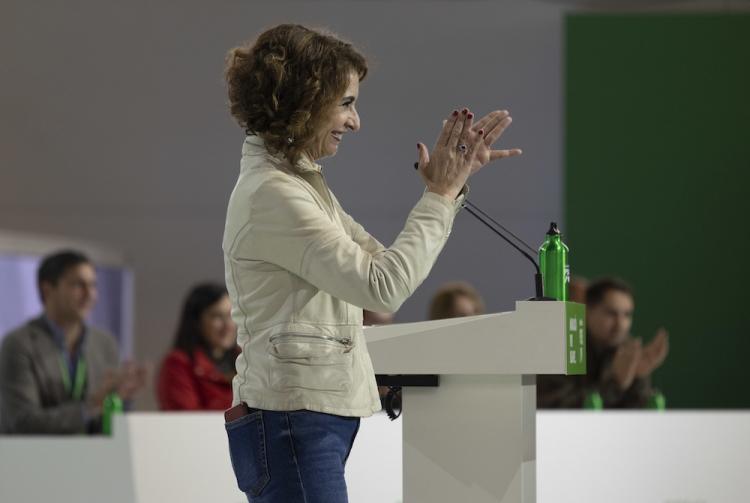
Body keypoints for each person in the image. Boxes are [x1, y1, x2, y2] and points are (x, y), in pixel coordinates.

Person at [221, 24, 521, 503]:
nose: (355, 121)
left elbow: (381, 268)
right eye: (346, 103)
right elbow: (384, 288)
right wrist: (440, 195)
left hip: (303, 420)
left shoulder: (295, 184)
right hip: (292, 422)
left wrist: (444, 191)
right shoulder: (274, 195)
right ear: (304, 99)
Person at [0, 250, 145, 434]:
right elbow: (24, 422)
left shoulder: (104, 343)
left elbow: (110, 424)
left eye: (93, 285)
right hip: (35, 459)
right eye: (79, 285)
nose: (90, 294)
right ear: (47, 289)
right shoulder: (19, 344)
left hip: (94, 459)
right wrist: (93, 405)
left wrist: (122, 398)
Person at [537, 277, 670, 409]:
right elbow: (559, 408)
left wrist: (637, 378)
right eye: (611, 314)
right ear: (587, 310)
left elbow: (637, 416)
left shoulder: (626, 350)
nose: (620, 325)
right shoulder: (560, 346)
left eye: (627, 315)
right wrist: (615, 383)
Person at [157, 283, 239, 410]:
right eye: (217, 316)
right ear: (196, 321)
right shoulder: (179, 364)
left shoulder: (245, 361)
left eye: (231, 315)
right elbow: (187, 421)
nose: (228, 325)